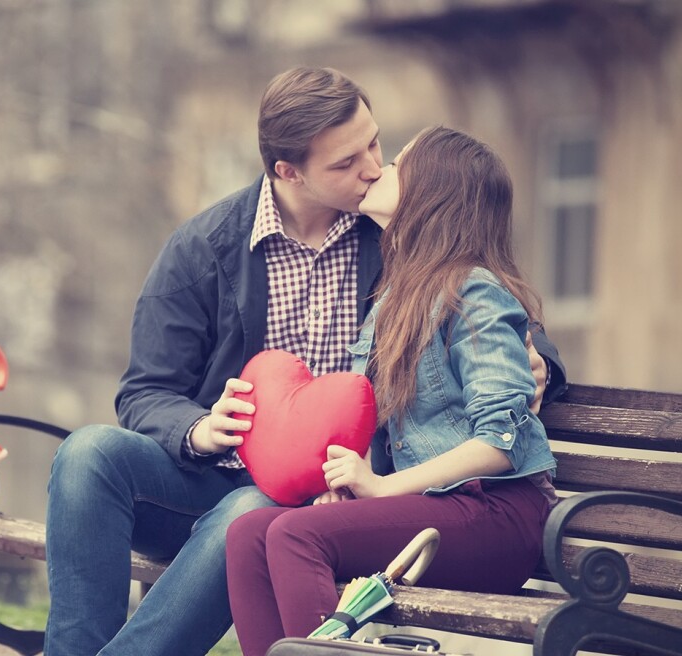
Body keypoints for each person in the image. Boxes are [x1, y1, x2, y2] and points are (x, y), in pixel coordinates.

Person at [45, 67, 566, 656]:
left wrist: (540, 361)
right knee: (89, 451)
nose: (372, 167)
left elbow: (494, 307)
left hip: (333, 488)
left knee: (254, 512)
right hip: (218, 471)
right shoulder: (205, 246)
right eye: (345, 164)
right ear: (288, 171)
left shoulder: (401, 234)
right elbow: (144, 392)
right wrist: (199, 429)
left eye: (375, 144)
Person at [224, 126, 561, 656]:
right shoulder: (394, 301)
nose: (381, 170)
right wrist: (350, 485)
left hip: (498, 515)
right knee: (248, 534)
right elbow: (382, 424)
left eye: (401, 164)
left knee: (297, 536)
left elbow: (500, 443)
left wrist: (380, 489)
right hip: (436, 510)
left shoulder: (474, 291)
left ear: (433, 194)